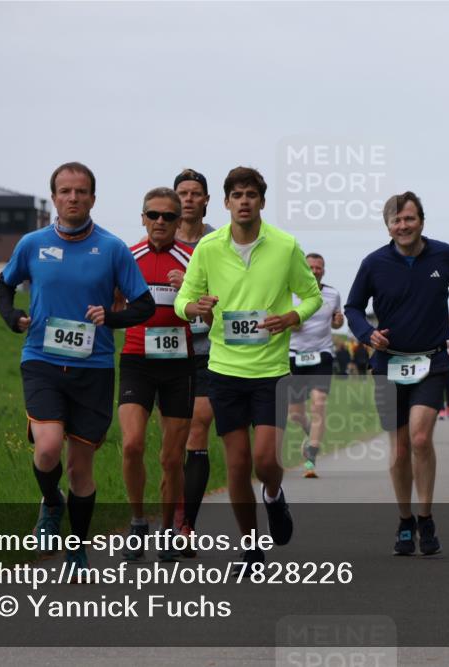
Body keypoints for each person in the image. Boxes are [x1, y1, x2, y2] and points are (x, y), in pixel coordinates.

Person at [0, 162, 155, 572]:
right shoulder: (32, 244)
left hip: (93, 368)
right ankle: (51, 502)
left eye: (81, 191)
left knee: (81, 469)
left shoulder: (112, 248)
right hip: (42, 360)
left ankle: (77, 551)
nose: (73, 198)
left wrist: (110, 317)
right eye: (65, 191)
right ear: (54, 197)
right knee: (48, 448)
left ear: (93, 199)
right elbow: (3, 284)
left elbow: (144, 305)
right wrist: (12, 317)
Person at [174, 166, 322, 565]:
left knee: (266, 460)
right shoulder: (209, 248)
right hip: (224, 370)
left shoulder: (285, 246)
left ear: (261, 201)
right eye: (237, 195)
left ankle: (273, 495)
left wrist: (291, 317)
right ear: (225, 203)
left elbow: (311, 296)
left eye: (251, 195)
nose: (244, 202)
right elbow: (183, 298)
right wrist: (194, 307)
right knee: (237, 466)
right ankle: (251, 546)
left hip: (270, 372)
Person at [345, 191, 449, 556]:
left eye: (409, 218)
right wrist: (367, 333)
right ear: (388, 226)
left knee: (419, 438)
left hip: (432, 362)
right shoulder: (374, 263)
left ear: (421, 221)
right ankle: (405, 521)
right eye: (396, 220)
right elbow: (353, 307)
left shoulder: (444, 256)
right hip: (388, 364)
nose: (403, 226)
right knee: (400, 448)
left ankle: (425, 517)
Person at [118, 187, 195, 562]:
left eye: (168, 216)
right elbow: (111, 304)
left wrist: (190, 291)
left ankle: (167, 530)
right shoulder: (128, 257)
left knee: (171, 457)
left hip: (179, 364)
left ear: (179, 221)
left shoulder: (194, 260)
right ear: (143, 218)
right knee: (132, 444)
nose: (160, 221)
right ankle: (137, 522)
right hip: (137, 360)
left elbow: (213, 313)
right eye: (153, 215)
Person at [172, 169, 217, 556]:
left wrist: (188, 285)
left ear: (206, 200)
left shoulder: (220, 242)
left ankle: (186, 524)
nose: (188, 199)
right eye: (182, 193)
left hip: (207, 351)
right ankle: (168, 518)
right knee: (172, 440)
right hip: (165, 352)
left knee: (198, 427)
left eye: (195, 193)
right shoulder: (159, 239)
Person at [288, 253, 343, 479]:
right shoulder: (290, 293)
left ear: (324, 270)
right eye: (310, 267)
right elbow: (282, 320)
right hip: (294, 355)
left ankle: (311, 458)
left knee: (319, 403)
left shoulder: (333, 294)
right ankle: (312, 433)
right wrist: (292, 323)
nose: (314, 271)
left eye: (319, 267)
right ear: (303, 268)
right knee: (295, 414)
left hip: (322, 354)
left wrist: (339, 322)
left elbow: (336, 321)